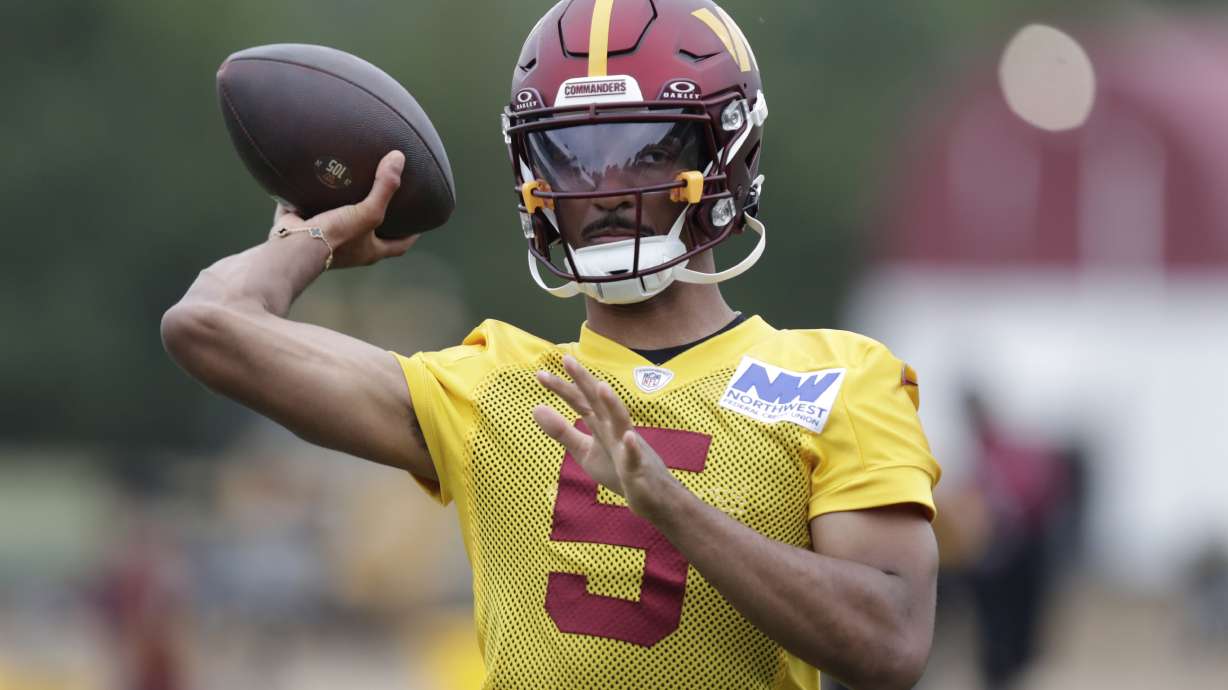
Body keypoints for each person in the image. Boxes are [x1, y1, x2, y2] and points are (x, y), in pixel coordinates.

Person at [162, 1, 941, 688]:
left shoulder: (841, 377)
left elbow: (891, 643)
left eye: (645, 149)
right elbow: (207, 326)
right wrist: (318, 237)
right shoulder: (490, 386)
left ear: (725, 156)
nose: (602, 187)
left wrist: (670, 507)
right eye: (568, 155)